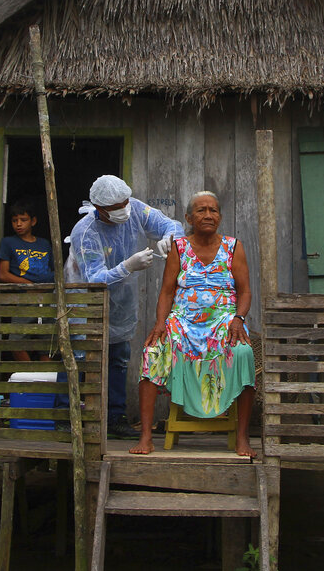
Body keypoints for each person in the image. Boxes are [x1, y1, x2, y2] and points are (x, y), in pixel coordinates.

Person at [130, 191, 256, 456]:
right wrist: (160, 323)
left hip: (223, 321)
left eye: (213, 210)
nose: (208, 215)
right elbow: (166, 292)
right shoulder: (180, 247)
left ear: (220, 216)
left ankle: (243, 438)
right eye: (201, 210)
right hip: (183, 322)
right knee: (152, 353)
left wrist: (238, 319)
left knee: (243, 353)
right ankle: (145, 437)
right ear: (189, 217)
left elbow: (244, 292)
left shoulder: (234, 247)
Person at [68, 175, 184, 438]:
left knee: (119, 358)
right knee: (80, 358)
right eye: (116, 206)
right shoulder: (85, 232)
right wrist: (127, 266)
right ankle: (69, 415)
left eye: (125, 202)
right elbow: (94, 280)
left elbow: (169, 223)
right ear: (100, 208)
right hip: (85, 301)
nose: (124, 208)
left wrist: (170, 237)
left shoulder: (134, 208)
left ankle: (115, 417)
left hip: (122, 300)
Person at [0, 199, 53, 362]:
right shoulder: (8, 243)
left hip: (48, 298)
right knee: (16, 340)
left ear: (33, 221)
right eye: (15, 221)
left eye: (23, 220)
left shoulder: (44, 244)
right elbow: (3, 274)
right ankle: (29, 376)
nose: (18, 224)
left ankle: (44, 384)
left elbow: (53, 270)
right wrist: (28, 285)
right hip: (24, 298)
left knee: (47, 344)